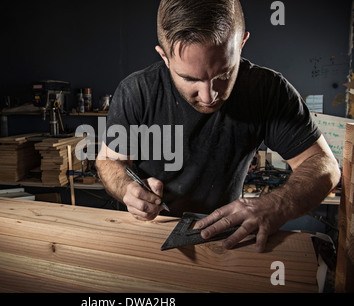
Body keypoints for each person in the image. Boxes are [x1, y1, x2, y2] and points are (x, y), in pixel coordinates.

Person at [95, 0, 340, 252]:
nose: (209, 96)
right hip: (148, 233)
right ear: (164, 57)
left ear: (241, 43)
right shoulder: (137, 91)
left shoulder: (268, 90)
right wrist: (127, 188)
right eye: (190, 79)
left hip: (224, 240)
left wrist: (277, 204)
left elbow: (324, 165)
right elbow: (109, 161)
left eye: (224, 74)